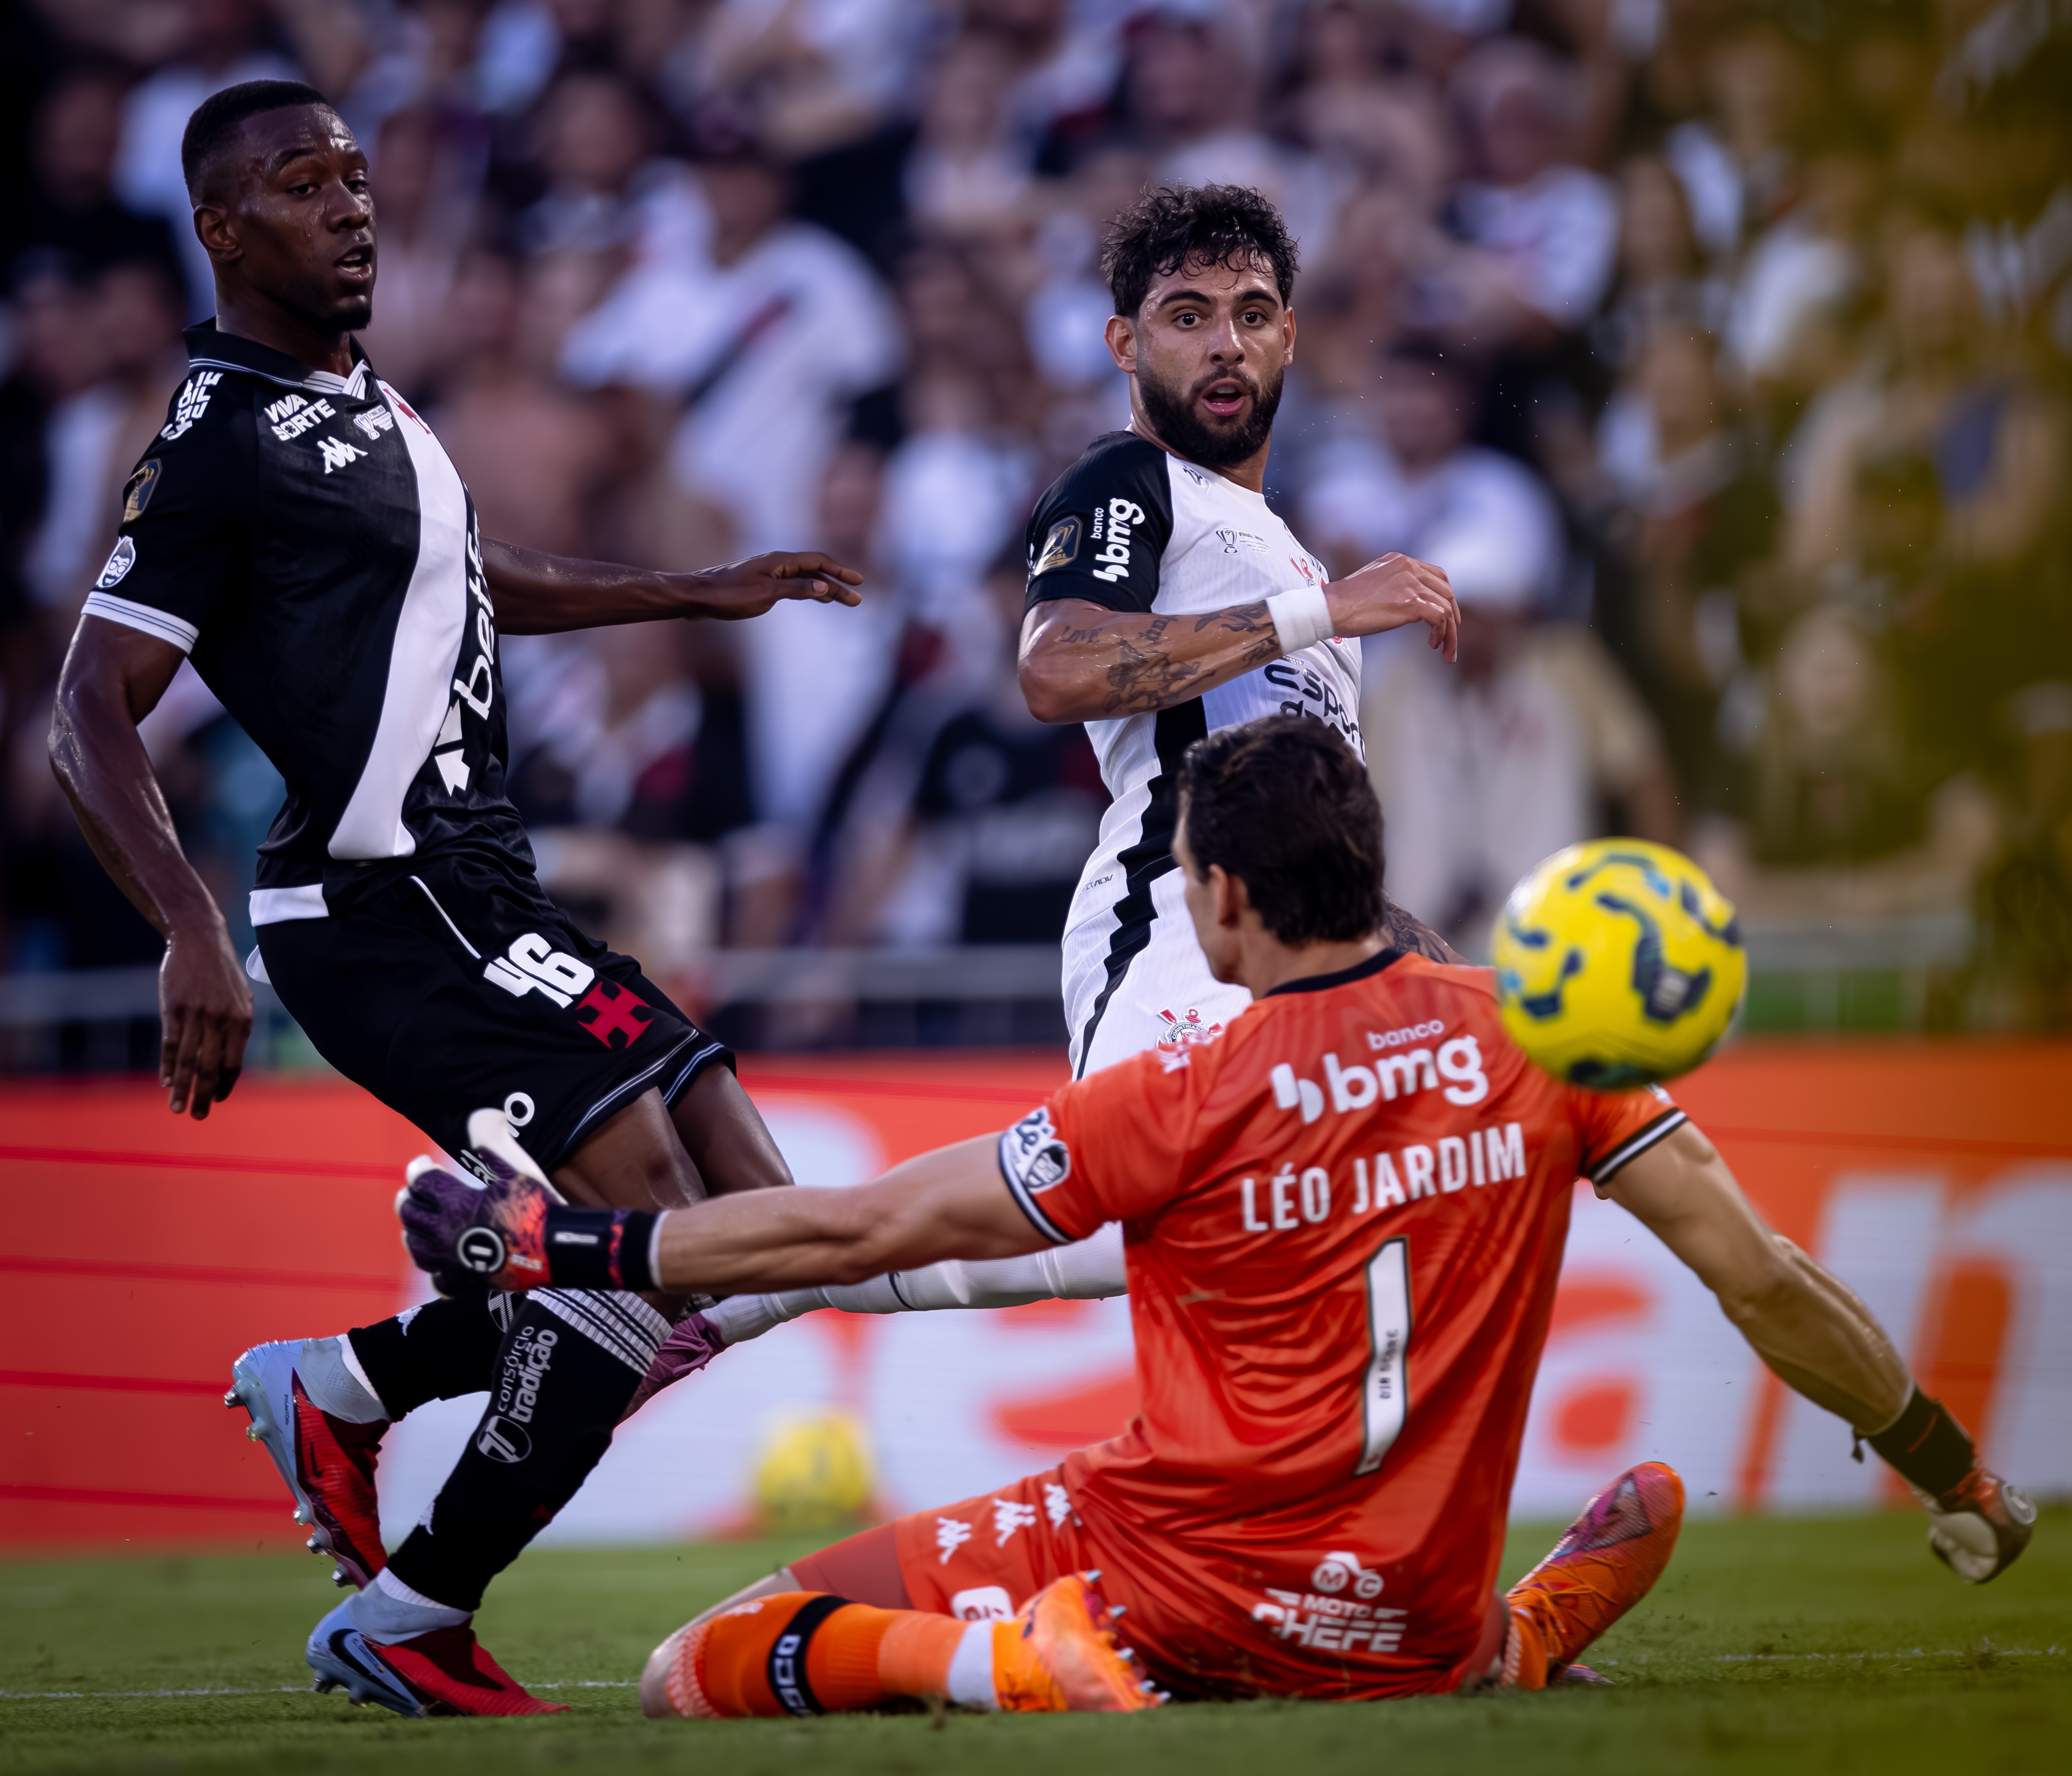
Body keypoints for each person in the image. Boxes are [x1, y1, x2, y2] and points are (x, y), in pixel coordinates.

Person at [396, 716, 2034, 1718]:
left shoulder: (1175, 1094)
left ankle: (1011, 1669)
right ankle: (1505, 1638)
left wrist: (556, 1248)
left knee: (705, 1657)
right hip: (1401, 1615)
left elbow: (850, 1232)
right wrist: (1947, 1467)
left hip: (1170, 1588)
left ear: (1227, 897)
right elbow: (1764, 1277)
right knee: (1472, 1584)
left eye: (1186, 877)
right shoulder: (1546, 1043)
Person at [45, 80, 864, 1716]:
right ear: (220, 227)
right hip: (385, 905)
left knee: (764, 1240)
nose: (349, 204)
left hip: (490, 892)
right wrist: (185, 927)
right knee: (636, 1245)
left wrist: (695, 587)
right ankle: (412, 1610)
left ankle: (354, 1382)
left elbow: (471, 586)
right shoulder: (216, 442)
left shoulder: (367, 402)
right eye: (299, 182)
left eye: (354, 176)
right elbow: (85, 703)